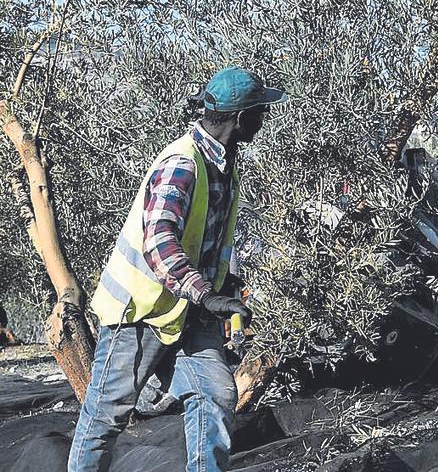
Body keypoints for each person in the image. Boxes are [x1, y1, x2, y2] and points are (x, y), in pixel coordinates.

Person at [69, 67, 288, 472]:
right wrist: (206, 292)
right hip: (140, 313)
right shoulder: (182, 164)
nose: (264, 120)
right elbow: (160, 239)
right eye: (260, 112)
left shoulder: (225, 164)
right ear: (241, 118)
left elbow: (209, 239)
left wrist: (226, 286)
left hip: (191, 311)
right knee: (105, 416)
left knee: (216, 396)